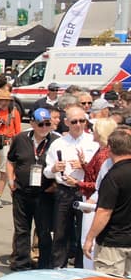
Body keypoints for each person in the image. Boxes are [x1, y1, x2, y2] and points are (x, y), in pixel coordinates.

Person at [45, 97, 99, 267]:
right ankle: (58, 267)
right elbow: (46, 172)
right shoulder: (58, 143)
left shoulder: (93, 142)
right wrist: (54, 168)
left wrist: (84, 166)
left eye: (82, 121)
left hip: (84, 191)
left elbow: (99, 170)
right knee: (61, 231)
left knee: (84, 231)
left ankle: (81, 267)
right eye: (74, 121)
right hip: (63, 189)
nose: (78, 125)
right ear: (66, 122)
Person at [5, 107, 60, 271]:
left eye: (47, 124)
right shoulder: (21, 138)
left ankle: (44, 264)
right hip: (22, 191)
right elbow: (10, 160)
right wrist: (10, 179)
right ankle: (21, 262)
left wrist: (55, 185)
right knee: (22, 229)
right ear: (32, 123)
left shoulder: (56, 141)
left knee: (43, 231)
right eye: (41, 124)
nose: (44, 128)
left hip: (44, 193)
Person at [83, 127, 131, 276]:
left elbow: (104, 212)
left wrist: (89, 238)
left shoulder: (113, 177)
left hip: (113, 244)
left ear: (109, 148)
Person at [78, 116, 117, 269]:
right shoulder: (102, 151)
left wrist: (78, 183)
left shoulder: (105, 155)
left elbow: (101, 184)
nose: (91, 130)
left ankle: (89, 272)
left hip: (94, 201)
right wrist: (84, 164)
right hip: (91, 198)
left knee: (88, 241)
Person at [0, 87, 23, 207]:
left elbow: (18, 132)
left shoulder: (14, 113)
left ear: (8, 101)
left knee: (4, 172)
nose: (0, 102)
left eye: (3, 100)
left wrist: (17, 148)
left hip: (6, 144)